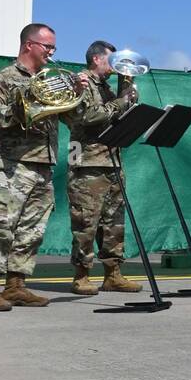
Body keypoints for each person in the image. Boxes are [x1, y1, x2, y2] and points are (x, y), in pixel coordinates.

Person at [0, 23, 89, 310]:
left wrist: (78, 93)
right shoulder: (3, 77)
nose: (51, 52)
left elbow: (75, 120)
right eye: (47, 46)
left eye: (53, 48)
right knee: (1, 225)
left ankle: (16, 285)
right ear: (29, 45)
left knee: (32, 229)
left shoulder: (52, 78)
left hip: (43, 164)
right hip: (11, 163)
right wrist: (21, 107)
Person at [66, 40, 142, 294]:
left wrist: (127, 89)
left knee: (114, 223)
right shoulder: (81, 83)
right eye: (112, 60)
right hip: (87, 163)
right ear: (97, 59)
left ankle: (113, 273)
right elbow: (87, 116)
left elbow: (121, 116)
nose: (116, 65)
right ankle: (81, 275)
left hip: (112, 161)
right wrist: (120, 102)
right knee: (86, 222)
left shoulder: (108, 88)